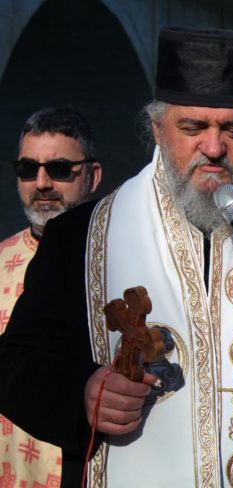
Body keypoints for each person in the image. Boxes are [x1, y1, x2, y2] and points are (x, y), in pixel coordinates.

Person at [0, 27, 233, 488]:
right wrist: (82, 394)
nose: (213, 148)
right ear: (157, 129)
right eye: (192, 128)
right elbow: (16, 367)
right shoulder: (80, 238)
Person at [0, 107, 101, 487]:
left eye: (59, 169)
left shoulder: (117, 258)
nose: (41, 183)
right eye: (28, 169)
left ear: (92, 176)